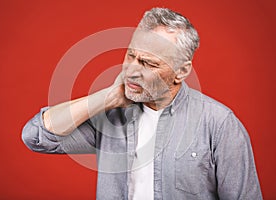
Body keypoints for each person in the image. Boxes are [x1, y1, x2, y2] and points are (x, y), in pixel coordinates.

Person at [22, 8, 262, 200]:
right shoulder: (111, 117)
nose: (132, 71)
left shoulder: (219, 124)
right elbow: (36, 136)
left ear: (181, 71)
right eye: (131, 55)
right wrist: (106, 98)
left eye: (149, 63)